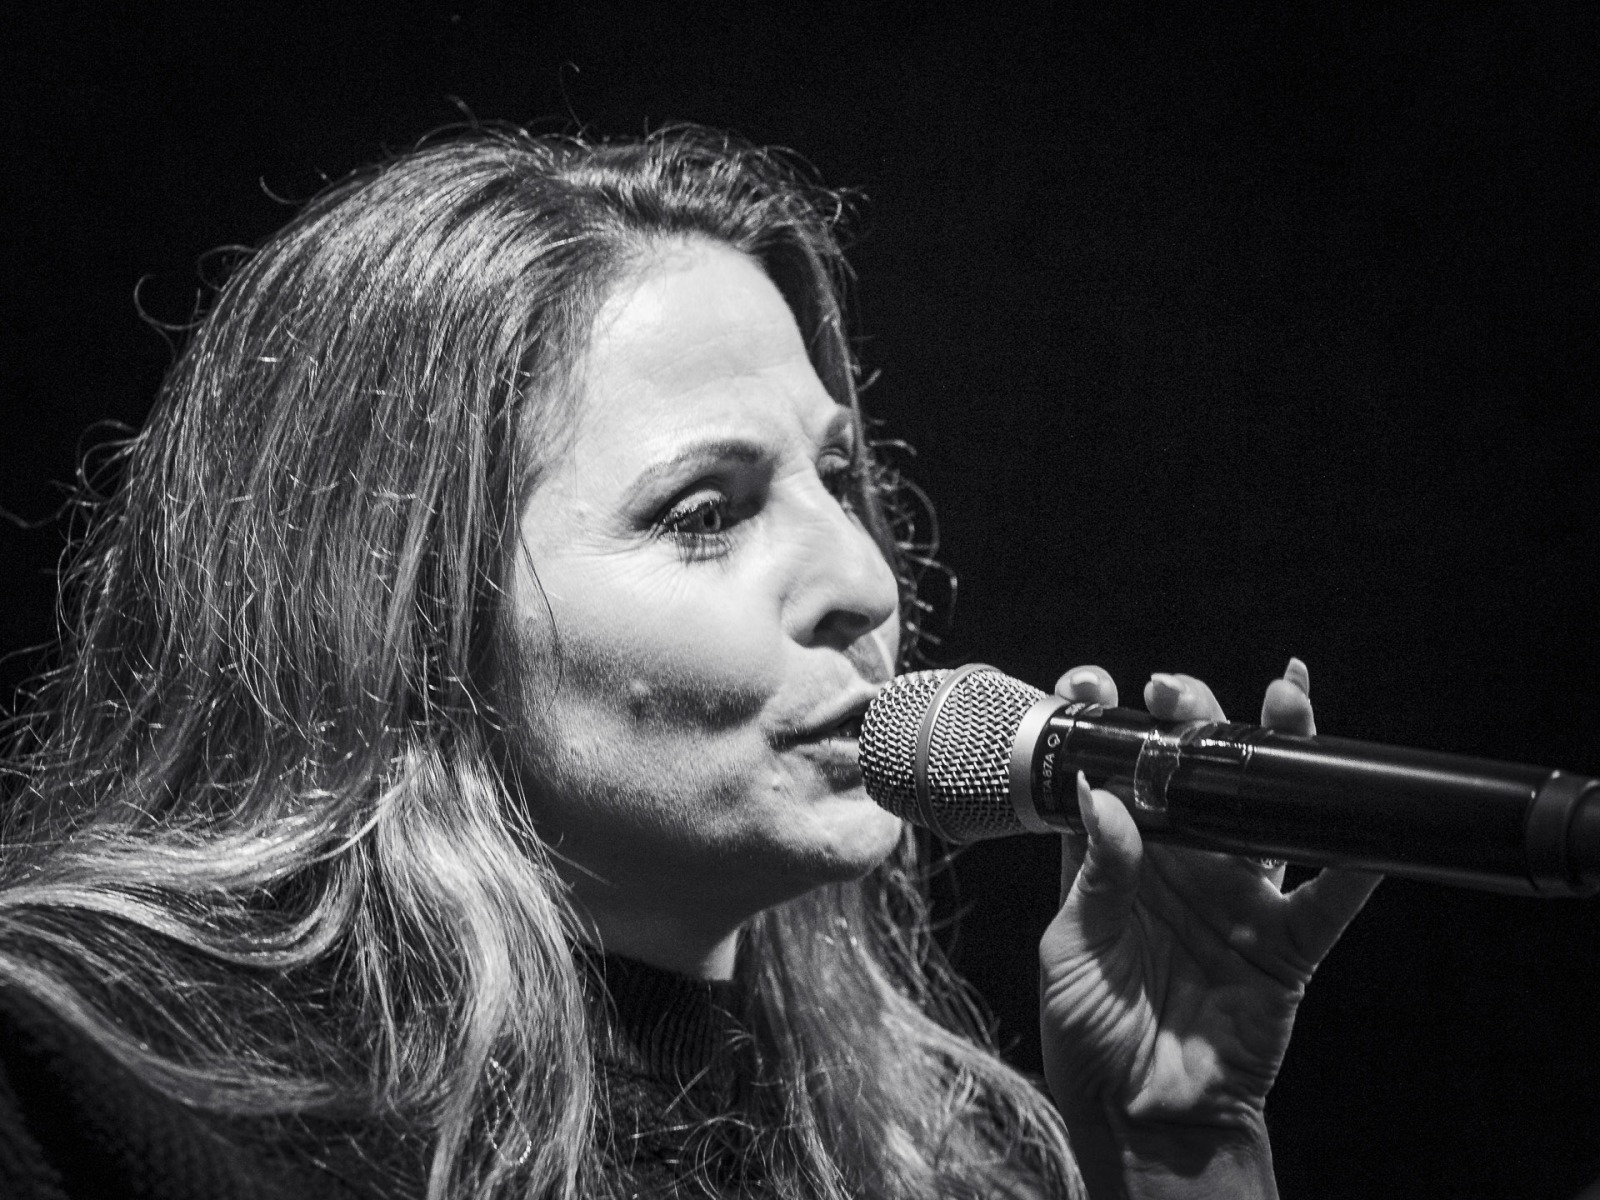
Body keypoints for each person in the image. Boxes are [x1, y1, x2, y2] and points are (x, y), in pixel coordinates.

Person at [0, 125, 1378, 1199]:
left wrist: (1175, 1151)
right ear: (402, 610)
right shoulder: (87, 1081)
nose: (865, 581)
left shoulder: (952, 1164)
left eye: (838, 478)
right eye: (706, 513)